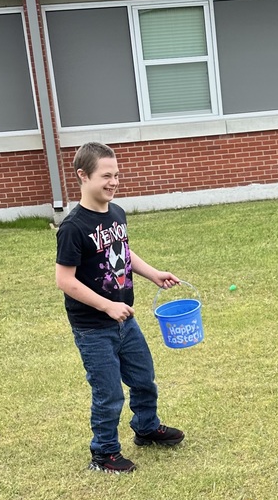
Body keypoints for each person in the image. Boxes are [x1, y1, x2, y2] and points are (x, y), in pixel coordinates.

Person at [55, 142, 185, 474]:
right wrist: (107, 306)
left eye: (116, 175)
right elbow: (65, 280)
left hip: (124, 321)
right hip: (94, 327)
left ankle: (146, 428)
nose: (113, 182)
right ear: (83, 176)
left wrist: (153, 274)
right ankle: (104, 453)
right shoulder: (73, 227)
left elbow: (123, 253)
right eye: (105, 176)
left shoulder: (116, 213)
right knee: (109, 393)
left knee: (144, 378)